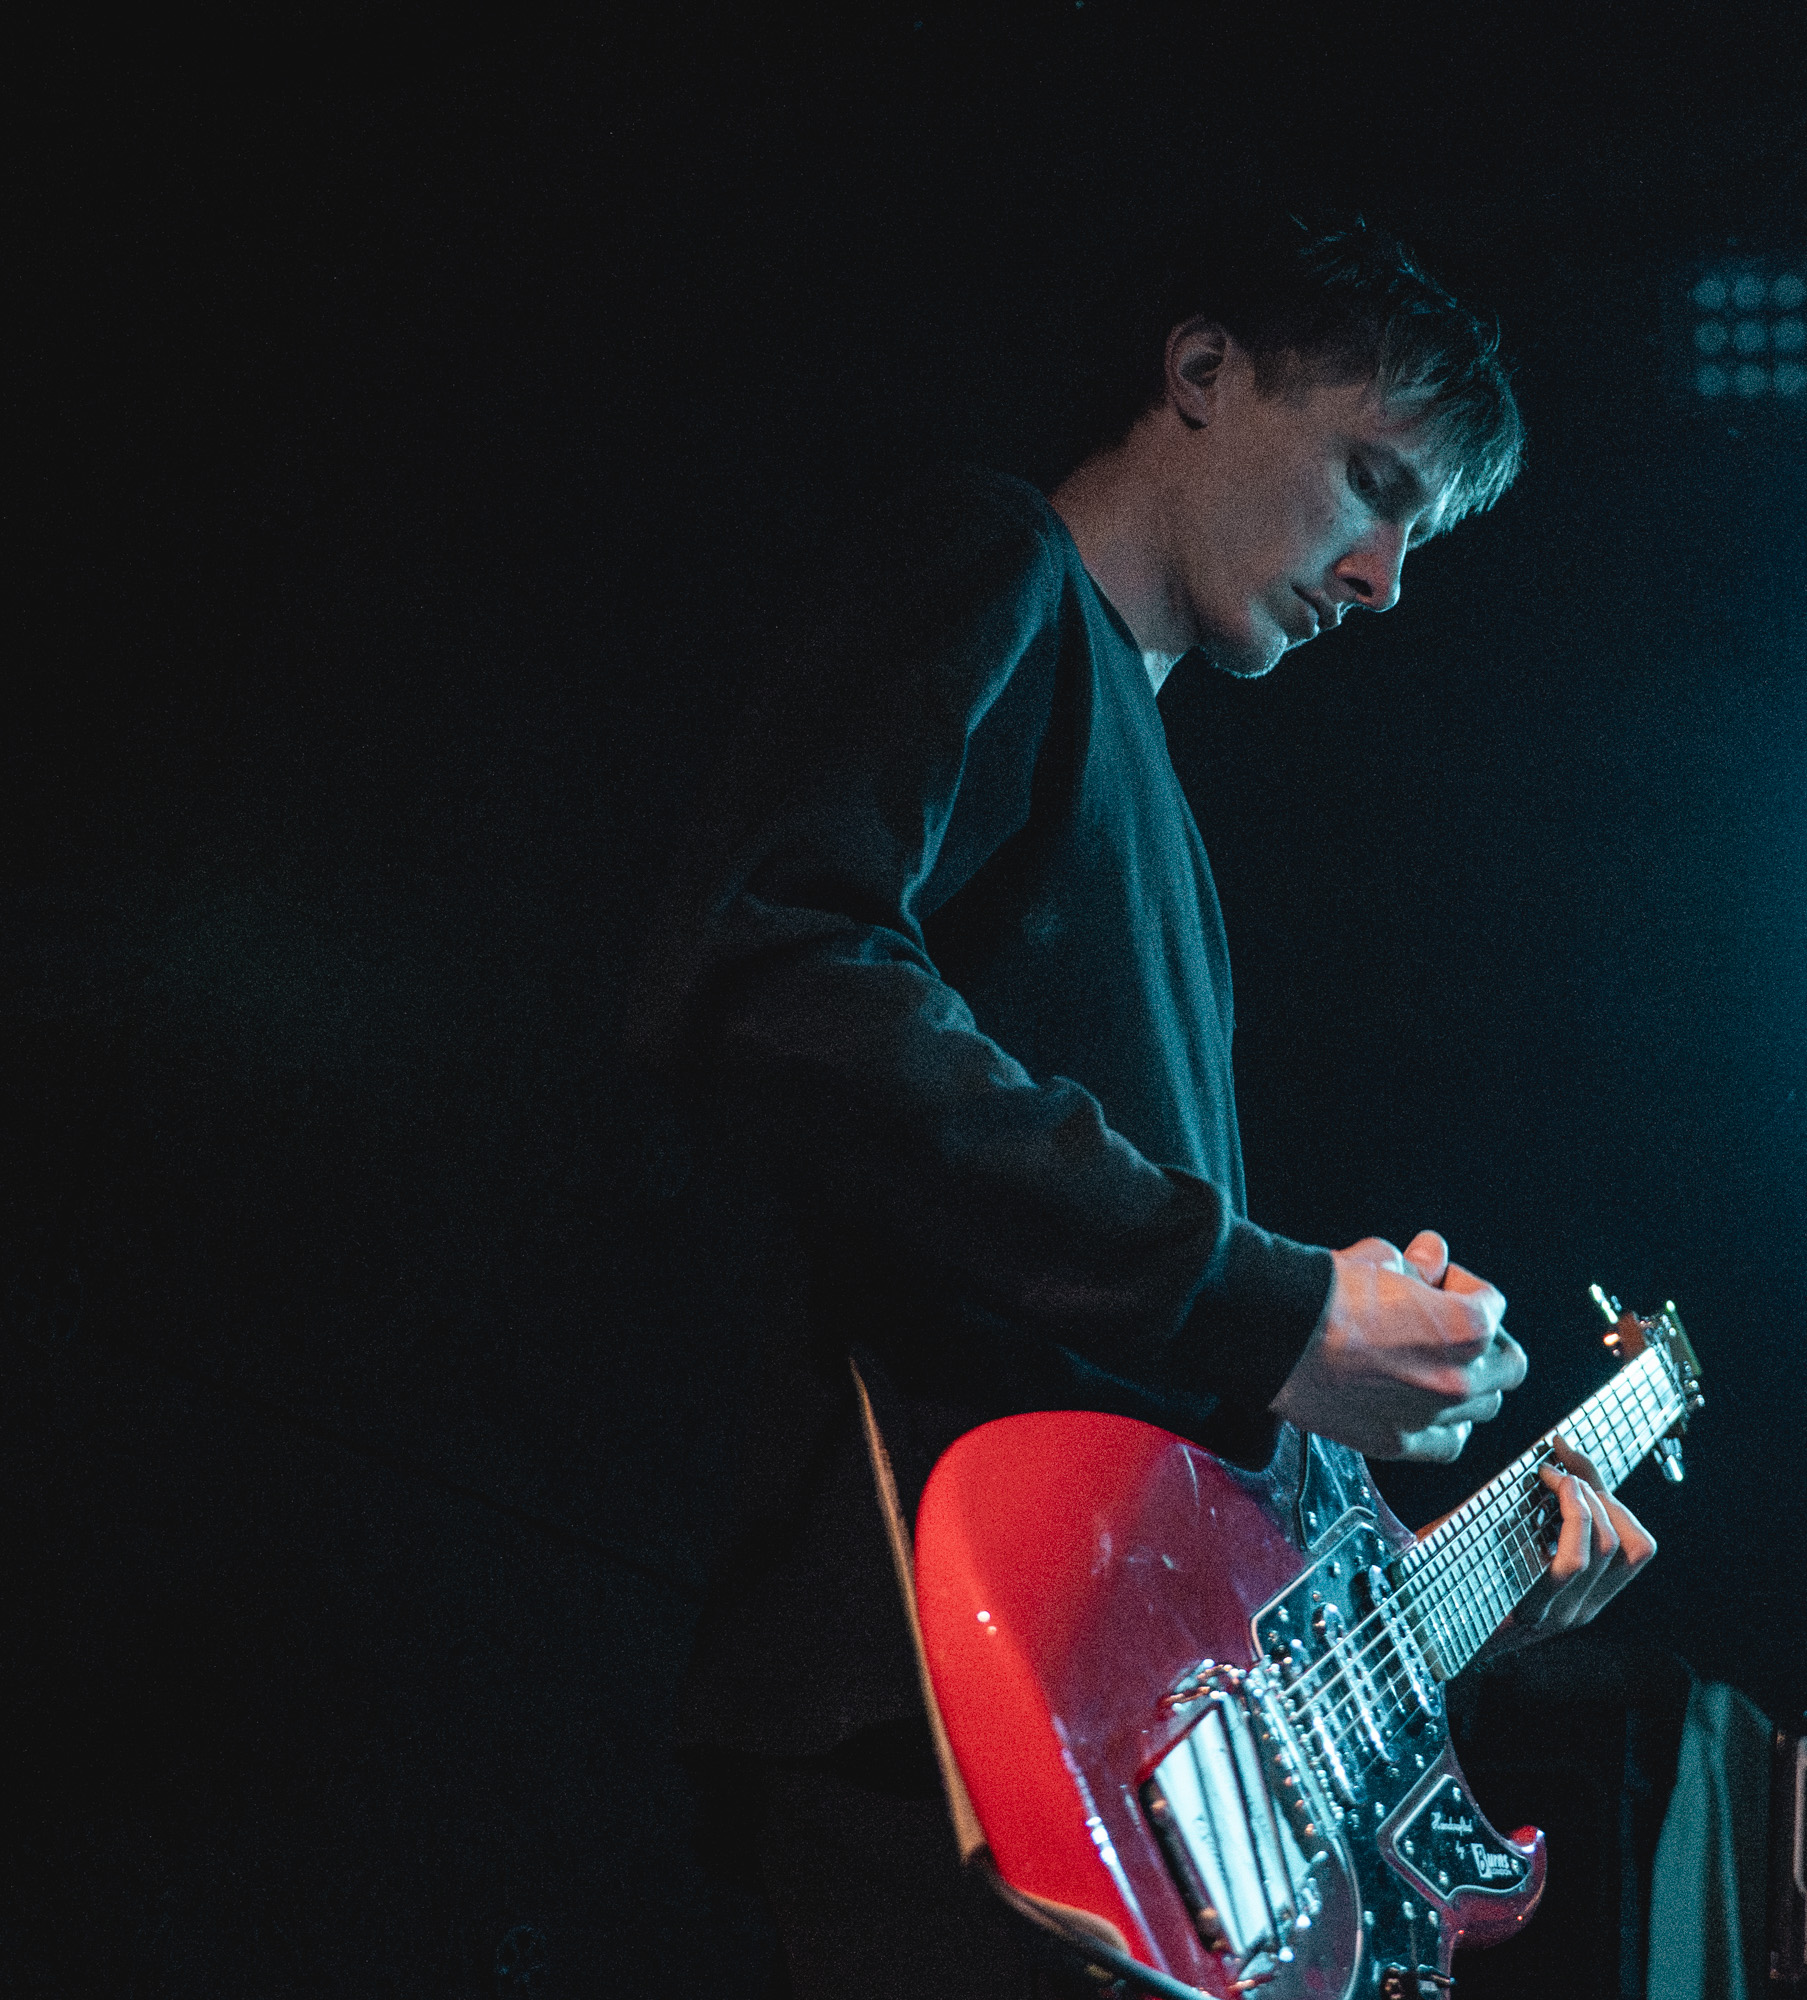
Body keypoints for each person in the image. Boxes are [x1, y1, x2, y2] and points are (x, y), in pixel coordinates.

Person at [629, 215, 1655, 1997]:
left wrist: (1411, 1536)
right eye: (1372, 484)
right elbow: (771, 970)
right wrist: (1277, 1305)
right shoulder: (998, 564)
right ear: (1200, 373)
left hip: (1095, 1710)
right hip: (938, 1682)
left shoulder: (1160, 808)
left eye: (1421, 536)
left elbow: (1112, 1345)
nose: (1383, 581)